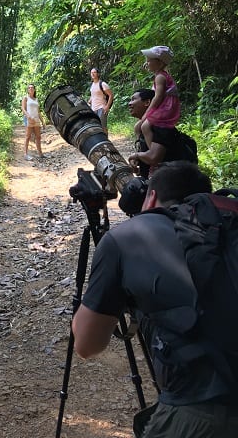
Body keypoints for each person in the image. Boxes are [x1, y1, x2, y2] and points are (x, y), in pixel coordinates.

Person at [72, 161, 238, 438]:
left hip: (202, 412)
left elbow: (88, 345)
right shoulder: (229, 224)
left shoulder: (127, 238)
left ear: (151, 196)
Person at [128, 89, 197, 177]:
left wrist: (137, 155)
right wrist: (139, 165)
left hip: (177, 179)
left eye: (133, 99)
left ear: (147, 102)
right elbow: (146, 155)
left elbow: (154, 157)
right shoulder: (140, 127)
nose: (129, 103)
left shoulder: (161, 125)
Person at [136, 45, 180, 149]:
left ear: (159, 63)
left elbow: (158, 97)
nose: (147, 63)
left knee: (145, 126)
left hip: (166, 108)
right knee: (139, 126)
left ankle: (153, 152)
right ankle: (141, 147)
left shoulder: (160, 77)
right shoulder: (161, 75)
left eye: (149, 60)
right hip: (165, 106)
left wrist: (147, 113)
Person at [87, 68, 114, 135]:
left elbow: (111, 95)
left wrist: (107, 106)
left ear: (98, 74)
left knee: (103, 126)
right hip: (93, 109)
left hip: (102, 108)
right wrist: (89, 101)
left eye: (94, 72)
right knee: (96, 127)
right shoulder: (92, 84)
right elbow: (93, 96)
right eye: (91, 72)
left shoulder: (102, 84)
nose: (92, 74)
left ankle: (106, 142)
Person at [21, 83, 44, 160]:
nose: (31, 89)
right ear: (28, 90)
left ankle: (40, 154)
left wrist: (43, 121)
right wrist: (28, 116)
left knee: (38, 137)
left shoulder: (36, 99)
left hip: (36, 119)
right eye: (29, 88)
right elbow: (23, 109)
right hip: (29, 119)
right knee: (28, 137)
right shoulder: (26, 98)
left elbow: (38, 112)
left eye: (32, 88)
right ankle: (25, 154)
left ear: (34, 90)